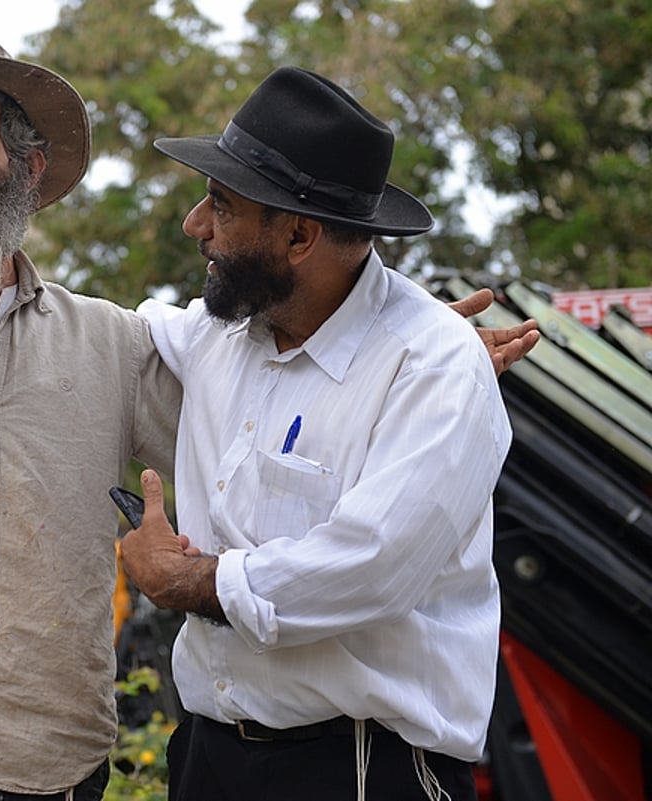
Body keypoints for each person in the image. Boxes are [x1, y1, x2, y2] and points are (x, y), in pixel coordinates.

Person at [0, 33, 538, 801]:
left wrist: (415, 343)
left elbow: (361, 531)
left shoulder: (116, 344)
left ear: (27, 169)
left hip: (101, 773)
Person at [119, 66, 515, 801]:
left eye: (221, 205)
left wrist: (187, 580)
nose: (195, 226)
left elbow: (369, 566)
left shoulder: (433, 366)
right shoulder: (220, 334)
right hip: (208, 758)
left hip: (362, 768)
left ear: (299, 234)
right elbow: (92, 340)